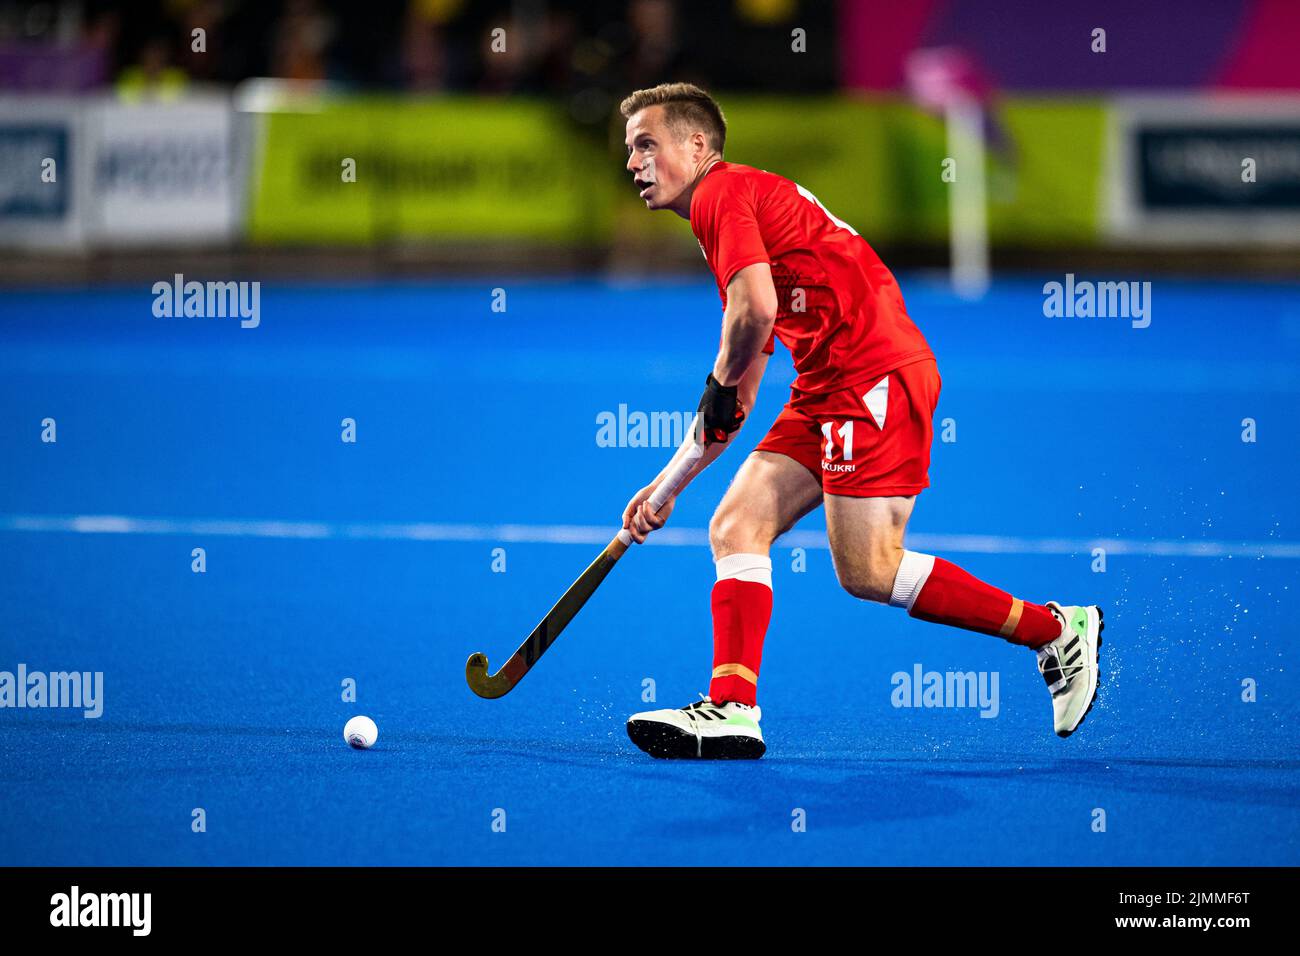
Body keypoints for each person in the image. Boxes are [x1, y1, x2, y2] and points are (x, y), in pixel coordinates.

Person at [618, 82, 1102, 759]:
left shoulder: (722, 196)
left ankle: (1053, 630)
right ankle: (732, 710)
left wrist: (720, 386)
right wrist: (666, 485)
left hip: (871, 375)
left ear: (697, 146)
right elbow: (743, 379)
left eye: (647, 144)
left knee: (869, 570)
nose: (634, 162)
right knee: (736, 525)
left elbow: (750, 319)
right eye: (630, 149)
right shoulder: (731, 208)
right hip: (828, 383)